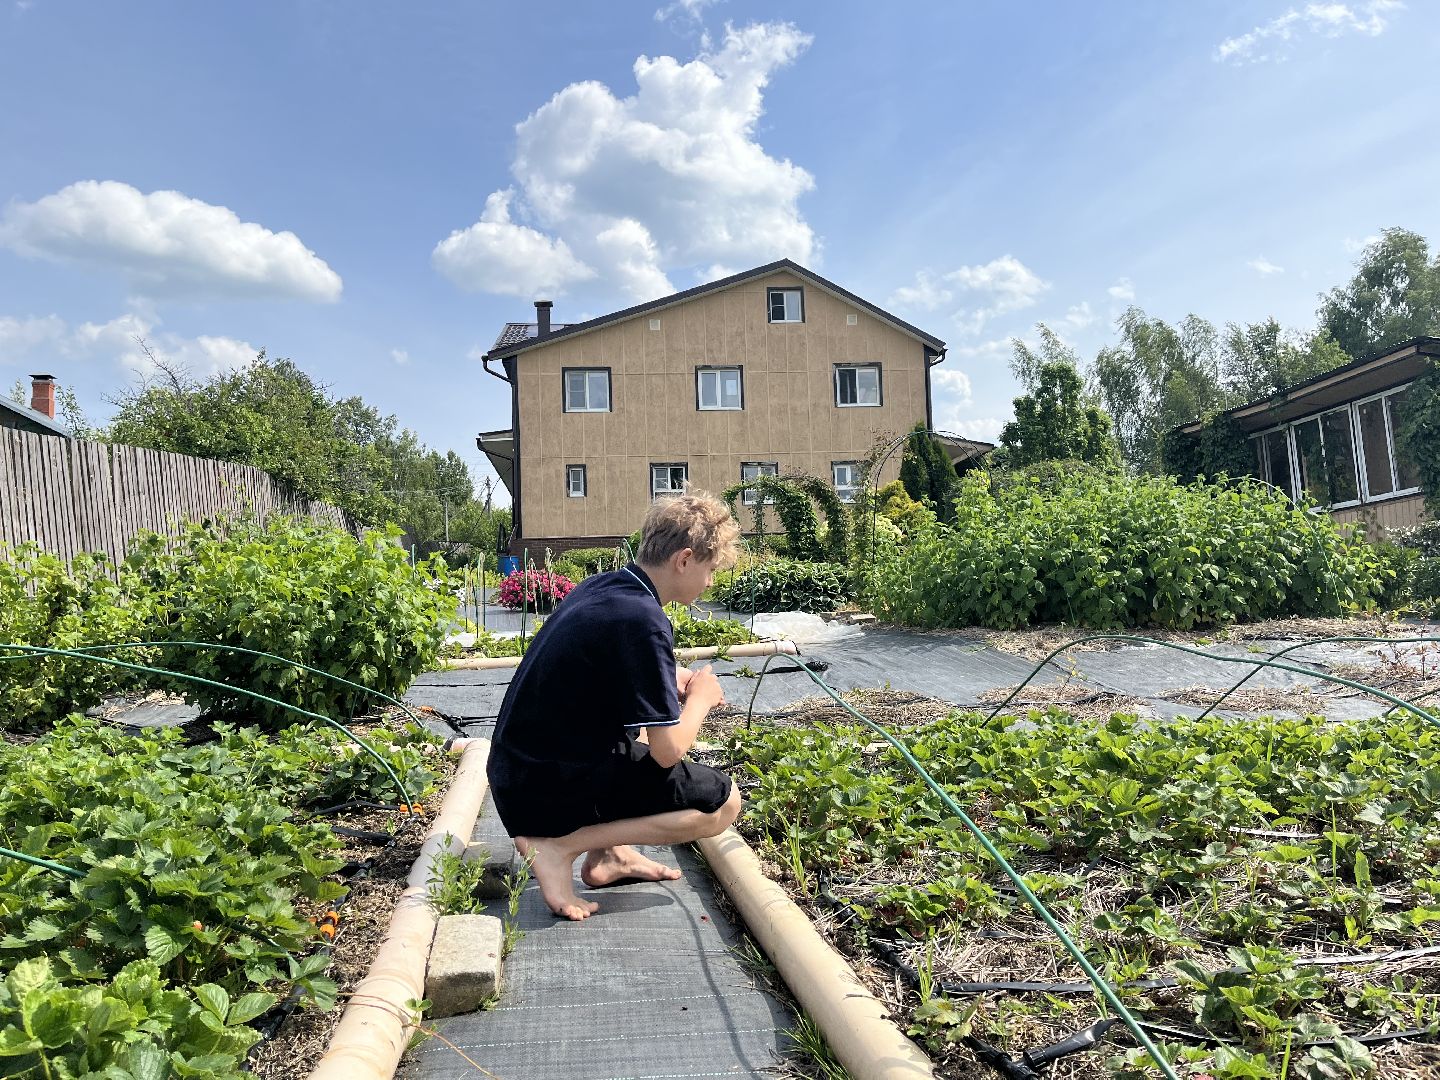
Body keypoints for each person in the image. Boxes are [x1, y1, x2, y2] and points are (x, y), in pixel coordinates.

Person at [486, 491, 744, 920]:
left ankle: (611, 855)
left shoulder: (608, 586)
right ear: (684, 560)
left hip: (519, 771)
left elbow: (605, 670)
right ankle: (559, 847)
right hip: (546, 789)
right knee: (723, 802)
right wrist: (701, 699)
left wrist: (667, 677)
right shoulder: (645, 620)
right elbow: (667, 752)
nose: (711, 583)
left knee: (623, 731)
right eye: (711, 569)